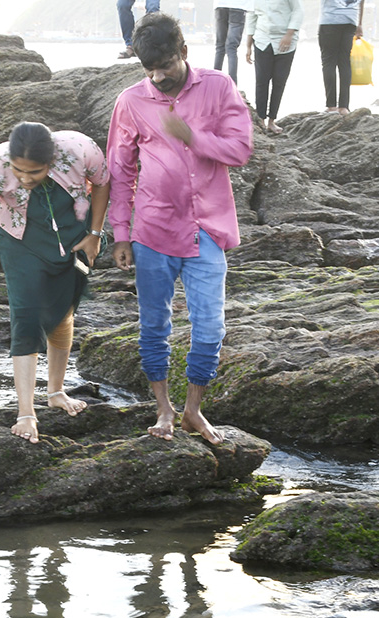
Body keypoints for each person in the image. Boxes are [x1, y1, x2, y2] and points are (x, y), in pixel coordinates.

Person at [107, 12, 253, 445]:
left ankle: (193, 409)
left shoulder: (218, 87)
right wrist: (119, 232)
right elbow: (120, 171)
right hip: (151, 232)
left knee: (210, 327)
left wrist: (191, 136)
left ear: (184, 52)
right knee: (154, 326)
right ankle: (164, 410)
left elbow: (241, 149)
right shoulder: (130, 101)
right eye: (149, 69)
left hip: (207, 228)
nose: (158, 77)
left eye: (165, 66)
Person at [0, 122, 110, 444]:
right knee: (26, 315)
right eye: (20, 171)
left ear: (53, 159)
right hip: (21, 239)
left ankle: (56, 391)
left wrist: (95, 235)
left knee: (63, 312)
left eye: (36, 171)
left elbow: (102, 183)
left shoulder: (79, 149)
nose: (26, 178)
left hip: (74, 232)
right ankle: (26, 412)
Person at [245, 0, 304, 133]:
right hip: (262, 40)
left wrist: (289, 34)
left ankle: (272, 120)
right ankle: (260, 119)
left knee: (279, 82)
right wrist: (248, 45)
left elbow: (298, 11)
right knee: (261, 81)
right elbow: (251, 17)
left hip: (285, 43)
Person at [318, 0, 364, 114]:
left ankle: (331, 106)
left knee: (329, 63)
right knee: (344, 63)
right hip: (350, 22)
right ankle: (344, 107)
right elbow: (361, 2)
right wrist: (360, 24)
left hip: (329, 21)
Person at [213, 0, 254, 84]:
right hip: (239, 6)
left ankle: (214, 81)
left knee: (220, 46)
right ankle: (232, 85)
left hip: (221, 5)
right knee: (231, 48)